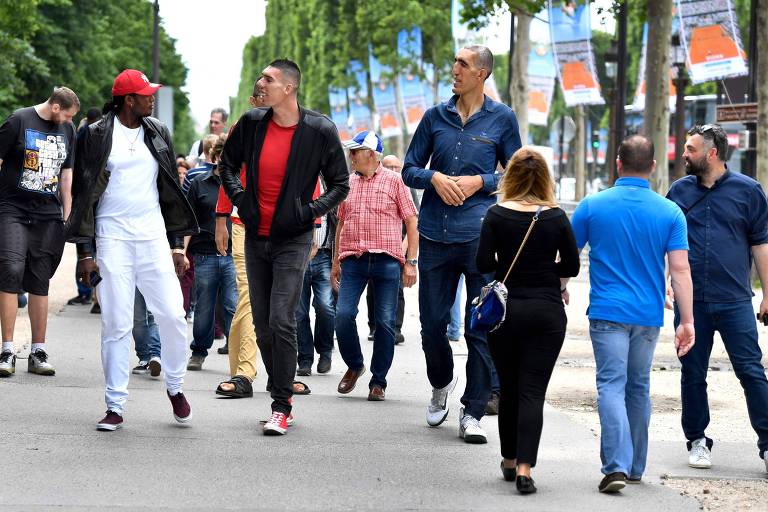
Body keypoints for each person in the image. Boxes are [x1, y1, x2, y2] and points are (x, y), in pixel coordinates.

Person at [218, 59, 349, 435]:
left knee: (281, 318)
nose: (261, 83)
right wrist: (241, 199)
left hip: (294, 237)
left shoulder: (319, 129)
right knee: (262, 325)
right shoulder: (253, 122)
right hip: (256, 232)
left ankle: (281, 404)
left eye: (269, 79)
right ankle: (281, 387)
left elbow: (340, 184)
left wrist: (307, 212)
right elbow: (227, 165)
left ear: (288, 88)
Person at [402, 44, 521, 443]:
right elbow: (409, 169)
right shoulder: (435, 116)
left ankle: (473, 413)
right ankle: (441, 383)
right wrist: (434, 178)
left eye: (463, 64)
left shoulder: (502, 119)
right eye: (454, 61)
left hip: (480, 238)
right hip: (435, 235)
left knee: (480, 329)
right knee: (433, 327)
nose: (454, 69)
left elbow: (516, 174)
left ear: (482, 73)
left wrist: (480, 182)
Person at [69, 69, 198, 430]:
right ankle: (115, 404)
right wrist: (85, 252)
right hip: (112, 236)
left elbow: (170, 187)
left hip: (153, 235)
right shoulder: (95, 135)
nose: (151, 97)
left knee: (173, 314)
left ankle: (175, 387)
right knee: (116, 322)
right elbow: (83, 194)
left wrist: (176, 245)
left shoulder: (158, 131)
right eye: (145, 94)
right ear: (128, 100)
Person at [570, 135, 695, 493]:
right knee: (638, 385)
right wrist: (687, 321)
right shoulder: (670, 212)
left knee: (611, 384)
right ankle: (636, 465)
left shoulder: (592, 206)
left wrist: (560, 285)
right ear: (654, 167)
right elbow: (681, 270)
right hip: (648, 314)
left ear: (617, 163)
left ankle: (615, 466)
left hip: (608, 310)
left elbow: (566, 256)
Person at [476, 147, 579, 494]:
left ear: (511, 177)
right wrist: (547, 273)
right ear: (546, 178)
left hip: (505, 314)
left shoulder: (495, 214)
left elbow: (482, 264)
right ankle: (524, 469)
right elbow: (572, 266)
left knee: (509, 387)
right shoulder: (556, 216)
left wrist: (509, 269)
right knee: (533, 391)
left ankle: (506, 459)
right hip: (547, 313)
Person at [666, 124, 768, 474]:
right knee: (692, 373)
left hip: (736, 299)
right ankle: (696, 440)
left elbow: (761, 245)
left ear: (712, 153)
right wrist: (665, 283)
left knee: (752, 372)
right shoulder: (678, 192)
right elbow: (665, 243)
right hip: (691, 303)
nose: (684, 154)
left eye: (691, 149)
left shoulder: (749, 191)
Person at [331, 131, 418, 401]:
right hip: (353, 260)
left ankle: (378, 382)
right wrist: (335, 260)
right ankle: (355, 365)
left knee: (385, 322)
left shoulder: (395, 182)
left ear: (369, 153)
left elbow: (413, 222)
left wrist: (411, 262)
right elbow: (341, 223)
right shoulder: (348, 183)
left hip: (387, 261)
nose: (351, 156)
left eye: (355, 151)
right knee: (343, 315)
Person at [0, 87, 79, 378]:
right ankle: (7, 349)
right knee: (9, 269)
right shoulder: (18, 120)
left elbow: (66, 174)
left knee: (40, 278)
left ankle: (38, 350)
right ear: (56, 107)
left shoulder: (68, 131)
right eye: (68, 115)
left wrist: (67, 216)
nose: (70, 121)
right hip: (12, 209)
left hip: (47, 214)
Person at [185, 134, 237, 372]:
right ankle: (199, 351)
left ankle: (236, 350)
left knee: (232, 305)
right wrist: (182, 251)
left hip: (233, 255)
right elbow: (188, 220)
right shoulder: (199, 184)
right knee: (204, 306)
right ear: (214, 157)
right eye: (223, 156)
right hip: (204, 253)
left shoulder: (240, 186)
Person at [365, 154, 418, 346]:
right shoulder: (376, 185)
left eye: (397, 167)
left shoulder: (406, 188)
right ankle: (373, 326)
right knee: (372, 288)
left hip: (400, 246)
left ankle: (395, 328)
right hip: (377, 247)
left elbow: (413, 222)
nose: (394, 170)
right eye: (390, 166)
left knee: (398, 290)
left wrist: (404, 249)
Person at [295, 180, 337, 376]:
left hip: (324, 256)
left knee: (325, 307)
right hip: (298, 256)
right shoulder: (296, 184)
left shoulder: (331, 187)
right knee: (299, 312)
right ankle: (304, 357)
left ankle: (325, 352)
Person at [68, 107, 103, 307]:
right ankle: (98, 297)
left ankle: (86, 292)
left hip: (85, 200)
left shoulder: (84, 132)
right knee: (98, 254)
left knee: (85, 252)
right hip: (101, 201)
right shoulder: (107, 133)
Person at [131, 288, 162, 377]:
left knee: (151, 316)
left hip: (152, 276)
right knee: (139, 318)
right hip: (132, 276)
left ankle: (154, 356)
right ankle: (147, 358)